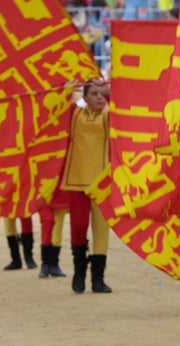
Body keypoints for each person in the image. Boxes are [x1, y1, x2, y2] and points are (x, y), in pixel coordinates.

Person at [61, 78, 112, 293]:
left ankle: (98, 278)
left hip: (101, 183)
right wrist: (67, 88)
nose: (100, 97)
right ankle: (79, 269)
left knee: (101, 231)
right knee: (79, 226)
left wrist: (111, 87)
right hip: (76, 180)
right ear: (84, 98)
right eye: (94, 94)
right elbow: (58, 103)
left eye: (102, 94)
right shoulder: (74, 115)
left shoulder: (111, 116)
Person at [37, 188, 68, 278]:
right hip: (44, 190)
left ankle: (54, 264)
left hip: (61, 192)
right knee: (47, 222)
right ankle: (45, 264)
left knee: (57, 228)